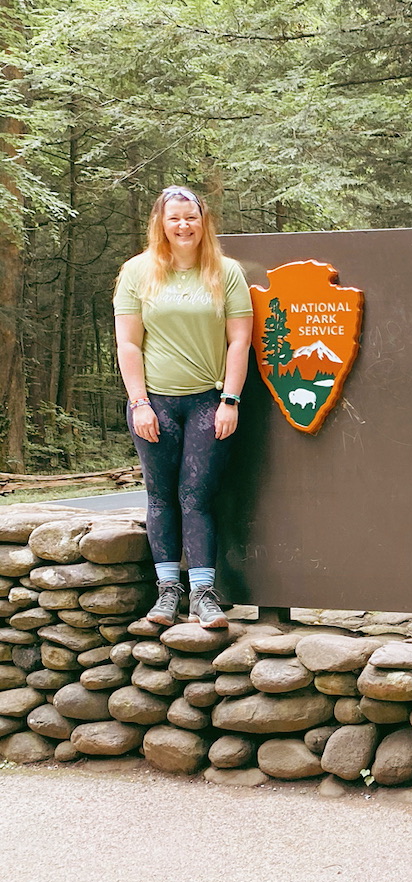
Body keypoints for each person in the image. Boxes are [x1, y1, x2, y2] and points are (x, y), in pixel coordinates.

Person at [113, 186, 254, 629]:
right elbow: (129, 344)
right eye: (174, 218)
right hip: (154, 404)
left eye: (190, 217)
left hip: (208, 402)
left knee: (197, 497)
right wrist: (139, 403)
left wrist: (230, 399)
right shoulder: (137, 273)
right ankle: (166, 593)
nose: (183, 226)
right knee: (160, 498)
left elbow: (239, 341)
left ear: (203, 220)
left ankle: (204, 594)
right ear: (161, 223)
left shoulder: (225, 272)